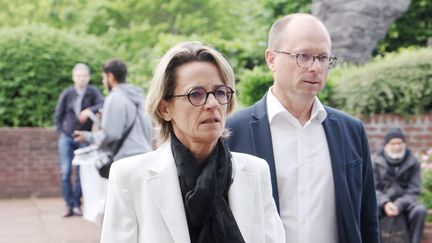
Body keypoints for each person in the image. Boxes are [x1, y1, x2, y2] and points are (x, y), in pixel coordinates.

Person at [100, 42, 285, 243]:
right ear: (164, 109)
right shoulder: (129, 177)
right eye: (196, 94)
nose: (212, 104)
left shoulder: (256, 171)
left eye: (221, 92)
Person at [226, 13, 379, 243]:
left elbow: (367, 220)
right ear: (271, 59)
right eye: (303, 56)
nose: (316, 67)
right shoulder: (233, 132)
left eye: (323, 57)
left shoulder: (351, 130)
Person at [74, 59, 153, 168]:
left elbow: (111, 134)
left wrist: (87, 136)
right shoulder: (138, 96)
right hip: (145, 156)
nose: (103, 81)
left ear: (110, 76)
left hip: (127, 160)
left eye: (103, 77)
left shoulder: (115, 97)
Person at [54, 63, 104, 217]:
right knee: (66, 171)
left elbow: (103, 103)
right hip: (67, 138)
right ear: (73, 77)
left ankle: (77, 203)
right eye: (78, 75)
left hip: (84, 137)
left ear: (88, 77)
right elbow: (58, 115)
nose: (81, 78)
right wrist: (63, 132)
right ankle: (69, 205)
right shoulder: (67, 93)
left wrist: (91, 110)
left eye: (84, 75)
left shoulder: (93, 92)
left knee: (82, 172)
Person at [373, 128, 427, 243]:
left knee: (420, 210)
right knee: (369, 210)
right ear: (386, 145)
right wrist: (385, 203)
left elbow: (414, 190)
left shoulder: (413, 162)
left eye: (400, 143)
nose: (397, 147)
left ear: (405, 144)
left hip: (406, 204)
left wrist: (399, 205)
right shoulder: (376, 162)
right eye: (393, 143)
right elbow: (373, 188)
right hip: (382, 203)